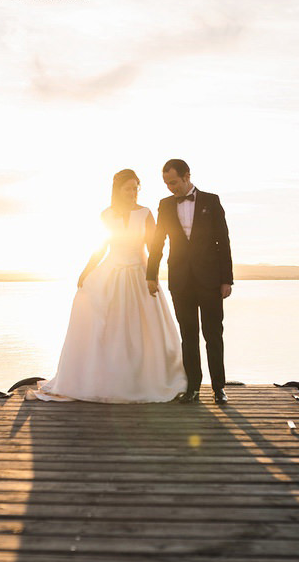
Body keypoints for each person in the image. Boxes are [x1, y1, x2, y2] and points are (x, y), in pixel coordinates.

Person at [35, 170, 187, 403]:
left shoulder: (145, 214)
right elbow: (101, 247)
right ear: (118, 190)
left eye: (136, 188)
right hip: (111, 274)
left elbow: (153, 247)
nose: (134, 192)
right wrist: (86, 271)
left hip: (139, 274)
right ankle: (103, 378)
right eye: (129, 188)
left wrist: (152, 275)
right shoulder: (106, 215)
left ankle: (143, 379)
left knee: (142, 330)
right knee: (106, 327)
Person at [147, 159, 234, 404]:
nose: (170, 187)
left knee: (213, 335)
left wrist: (226, 279)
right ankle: (193, 388)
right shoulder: (164, 205)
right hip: (180, 280)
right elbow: (157, 242)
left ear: (187, 176)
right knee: (188, 336)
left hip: (210, 280)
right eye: (166, 183)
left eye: (173, 182)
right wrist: (151, 275)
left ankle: (219, 388)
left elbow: (223, 242)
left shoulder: (211, 201)